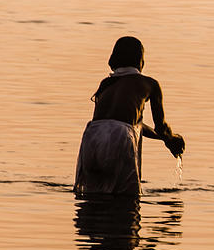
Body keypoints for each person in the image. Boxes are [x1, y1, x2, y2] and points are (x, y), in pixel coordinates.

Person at [74, 36, 185, 196]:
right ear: (141, 60)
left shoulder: (106, 83)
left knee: (92, 197)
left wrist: (162, 139)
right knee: (127, 199)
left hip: (92, 136)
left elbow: (126, 124)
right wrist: (172, 138)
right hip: (122, 137)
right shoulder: (150, 84)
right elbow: (159, 128)